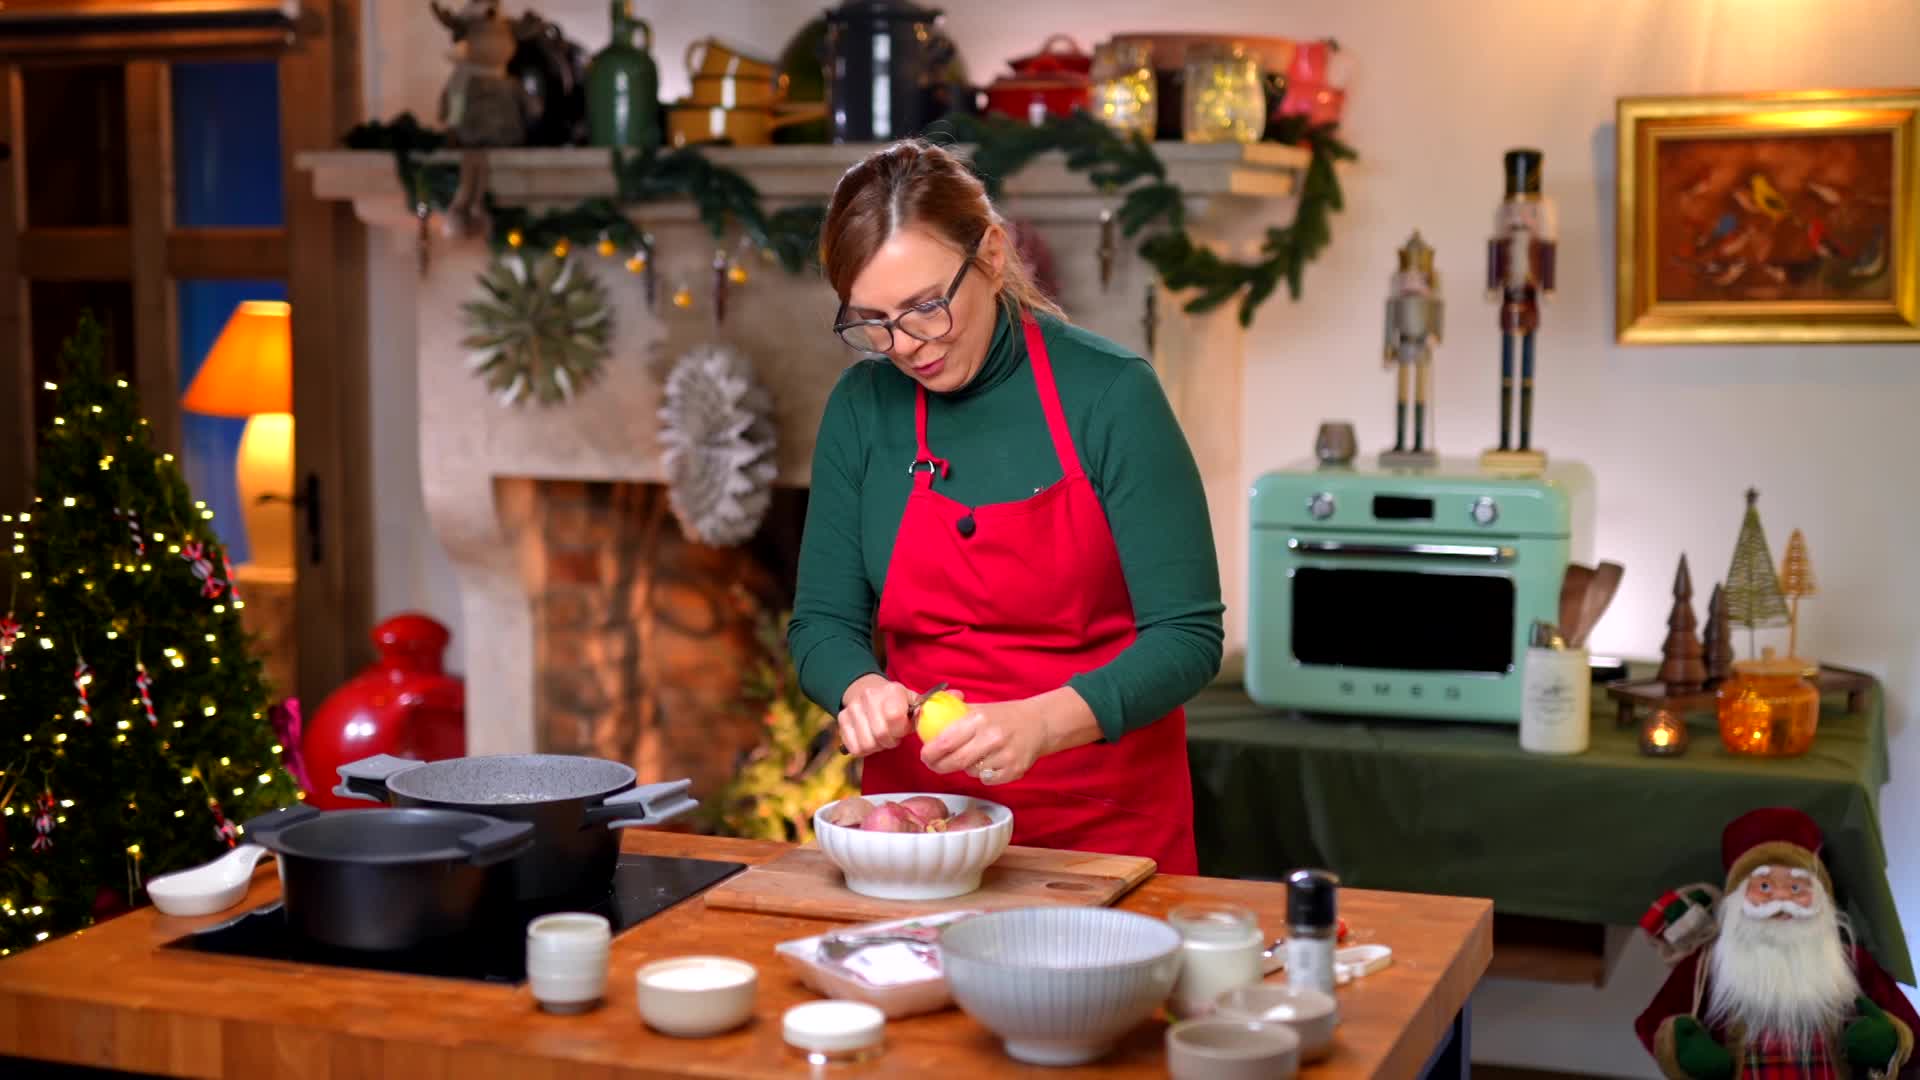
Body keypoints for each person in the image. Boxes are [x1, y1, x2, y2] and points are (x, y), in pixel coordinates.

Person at [785, 140, 1223, 874]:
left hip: (1105, 836)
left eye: (927, 307)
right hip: (923, 838)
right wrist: (858, 687)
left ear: (990, 254)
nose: (907, 347)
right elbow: (822, 623)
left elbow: (1187, 635)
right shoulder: (862, 409)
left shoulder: (1112, 395)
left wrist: (1044, 723)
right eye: (874, 322)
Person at [1634, 807, 1919, 1079]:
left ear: (1821, 897)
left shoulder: (1851, 962)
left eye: (1796, 887)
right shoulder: (1707, 964)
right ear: (1736, 900)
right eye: (1765, 886)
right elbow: (1652, 1026)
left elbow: (1914, 1036)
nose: (1781, 899)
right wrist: (1686, 1055)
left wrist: (1890, 1042)